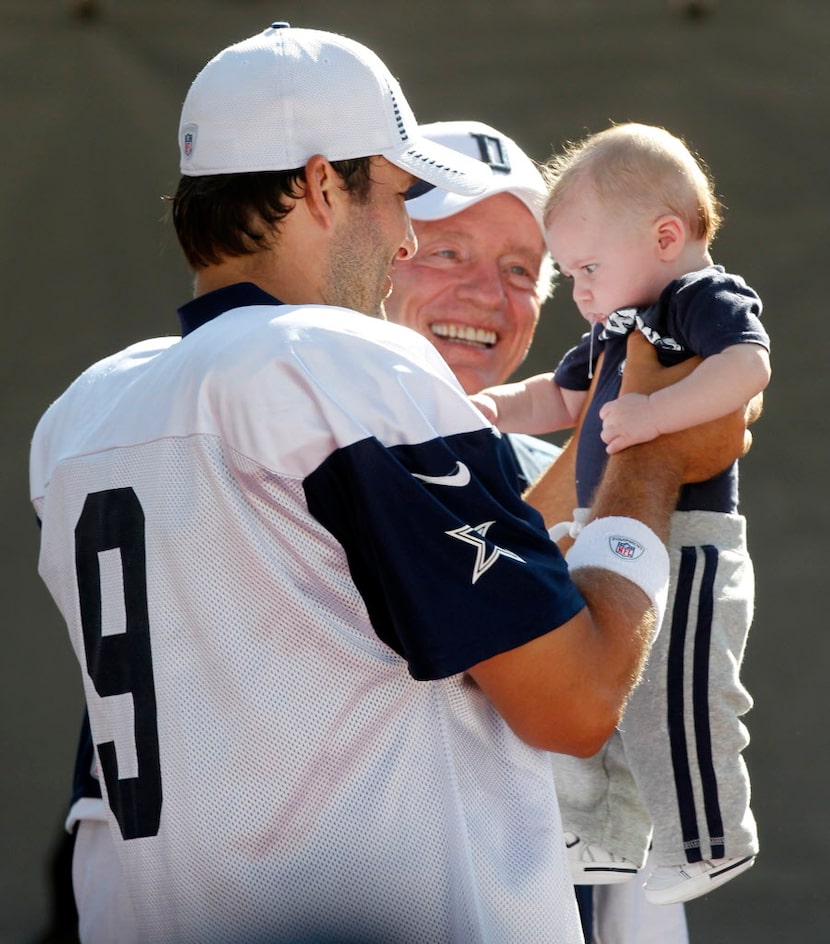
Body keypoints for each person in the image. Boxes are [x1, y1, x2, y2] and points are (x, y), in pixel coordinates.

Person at [29, 19, 751, 939]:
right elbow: (575, 701)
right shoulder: (340, 361)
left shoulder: (84, 413)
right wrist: (653, 454)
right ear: (322, 183)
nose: (406, 240)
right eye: (402, 198)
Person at [386, 118, 690, 944]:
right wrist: (623, 448)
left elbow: (630, 780)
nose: (488, 294)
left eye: (522, 270)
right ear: (373, 256)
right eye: (447, 251)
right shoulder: (291, 448)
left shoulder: (588, 470)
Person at [471, 121, 770, 906]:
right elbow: (558, 397)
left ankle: (711, 843)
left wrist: (657, 415)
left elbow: (749, 367)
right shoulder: (617, 326)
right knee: (619, 689)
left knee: (683, 691)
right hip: (614, 535)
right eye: (570, 274)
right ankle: (604, 837)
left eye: (587, 268)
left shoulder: (701, 297)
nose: (580, 291)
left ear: (666, 236)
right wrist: (492, 406)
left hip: (691, 538)